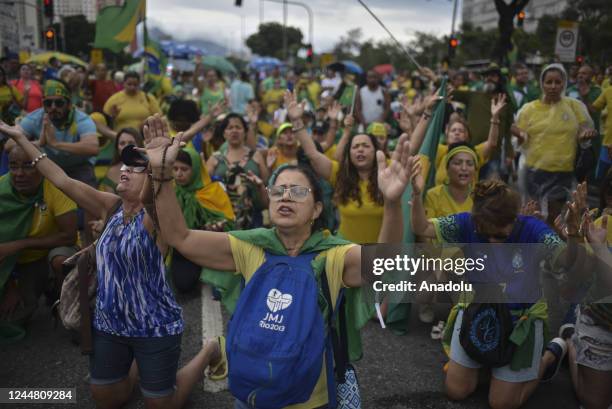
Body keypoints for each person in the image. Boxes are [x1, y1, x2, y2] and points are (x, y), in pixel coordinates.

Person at [142, 109, 412, 408]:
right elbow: (181, 238)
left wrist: (392, 204)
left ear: (317, 210)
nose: (286, 197)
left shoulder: (332, 256)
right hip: (251, 394)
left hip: (311, 399)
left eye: (298, 192)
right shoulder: (253, 246)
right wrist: (161, 175)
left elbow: (385, 264)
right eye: (279, 191)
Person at [0, 121, 228, 409]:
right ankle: (134, 363)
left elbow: (152, 198)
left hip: (154, 327)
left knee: (161, 405)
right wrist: (22, 139)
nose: (123, 169)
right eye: (124, 165)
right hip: (110, 326)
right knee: (107, 399)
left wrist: (158, 169)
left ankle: (208, 351)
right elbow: (62, 180)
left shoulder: (156, 216)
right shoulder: (110, 206)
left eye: (134, 169)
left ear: (149, 179)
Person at [411, 177, 577, 409]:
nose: (492, 241)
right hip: (479, 312)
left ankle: (549, 355)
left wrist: (574, 237)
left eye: (500, 235)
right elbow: (422, 227)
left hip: (519, 319)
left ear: (514, 219)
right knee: (456, 391)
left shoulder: (531, 227)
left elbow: (565, 261)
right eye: (484, 233)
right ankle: (492, 369)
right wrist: (417, 196)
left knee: (501, 404)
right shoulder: (467, 222)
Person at [0, 145, 78, 326]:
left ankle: (64, 303)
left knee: (61, 259)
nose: (19, 173)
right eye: (13, 166)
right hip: (14, 262)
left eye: (28, 165)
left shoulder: (57, 187)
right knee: (13, 319)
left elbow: (69, 236)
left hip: (47, 254)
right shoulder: (2, 190)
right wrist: (10, 287)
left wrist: (20, 244)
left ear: (42, 167)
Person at [514, 63, 596, 224]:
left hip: (561, 172)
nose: (553, 86)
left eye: (557, 82)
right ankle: (532, 246)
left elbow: (584, 129)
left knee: (554, 217)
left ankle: (550, 247)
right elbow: (518, 138)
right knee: (534, 215)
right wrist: (519, 135)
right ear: (541, 83)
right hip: (534, 171)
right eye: (549, 82)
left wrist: (584, 136)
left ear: (564, 83)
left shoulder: (574, 106)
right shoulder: (528, 109)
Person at [170, 148, 234, 293]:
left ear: (197, 169)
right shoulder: (171, 190)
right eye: (175, 169)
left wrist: (215, 225)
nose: (179, 174)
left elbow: (229, 221)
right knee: (183, 286)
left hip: (207, 246)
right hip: (181, 247)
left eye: (184, 169)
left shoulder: (212, 191)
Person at [18, 79, 99, 187]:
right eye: (48, 103)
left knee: (89, 200)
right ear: (43, 104)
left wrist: (55, 144)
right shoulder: (35, 118)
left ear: (69, 104)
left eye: (59, 103)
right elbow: (9, 144)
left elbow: (92, 148)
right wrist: (39, 143)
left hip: (78, 167)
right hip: (47, 166)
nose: (53, 107)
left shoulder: (81, 119)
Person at [206, 113, 269, 229]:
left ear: (245, 132)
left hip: (253, 221)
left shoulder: (256, 156)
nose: (234, 131)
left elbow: (265, 185)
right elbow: (205, 190)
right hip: (222, 221)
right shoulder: (214, 159)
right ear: (224, 133)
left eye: (238, 127)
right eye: (230, 128)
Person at [432, 94, 507, 186]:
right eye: (453, 130)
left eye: (461, 131)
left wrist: (495, 117)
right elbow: (423, 141)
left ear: (467, 136)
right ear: (447, 134)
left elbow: (492, 143)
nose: (457, 133)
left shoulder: (474, 152)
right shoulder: (441, 150)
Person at [99, 128, 143, 193]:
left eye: (131, 143)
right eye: (122, 143)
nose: (126, 147)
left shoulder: (148, 167)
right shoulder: (111, 171)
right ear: (117, 148)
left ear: (138, 145)